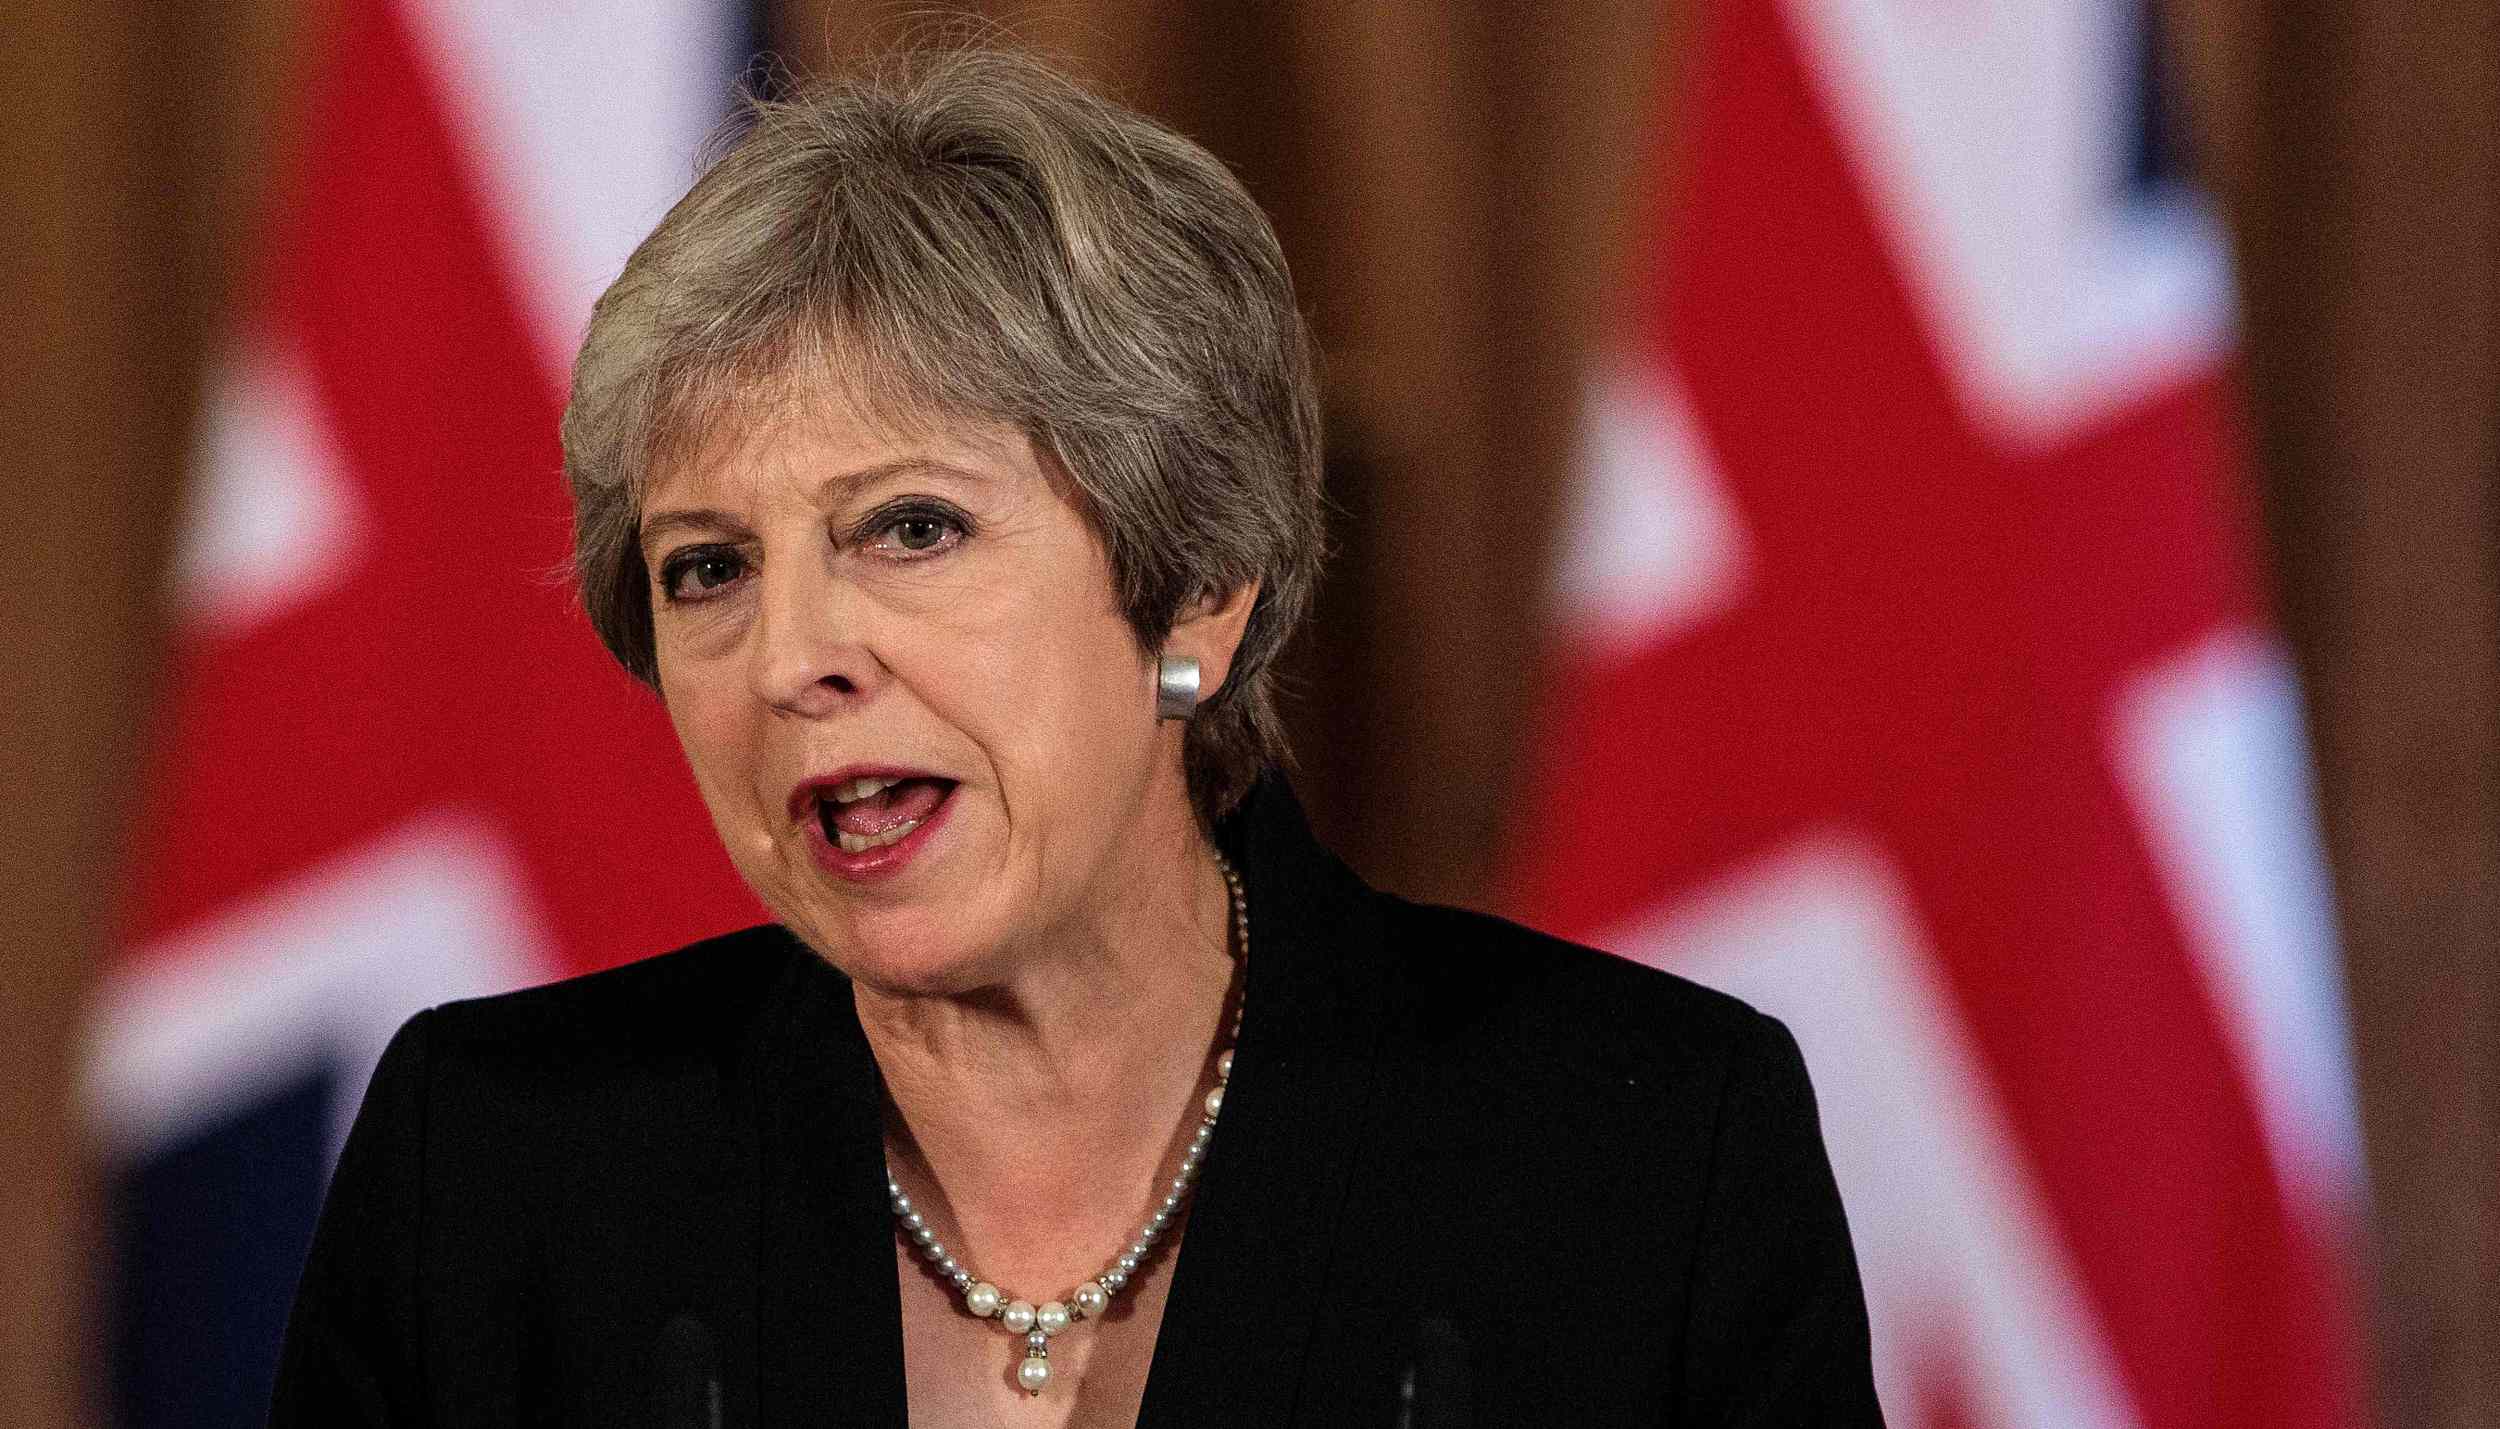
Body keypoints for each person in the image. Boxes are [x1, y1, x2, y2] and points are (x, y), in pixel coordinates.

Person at [270, 46, 1881, 1428]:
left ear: (1196, 592)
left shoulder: (1641, 1157)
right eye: (709, 569)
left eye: (910, 527)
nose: (793, 659)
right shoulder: (493, 1178)